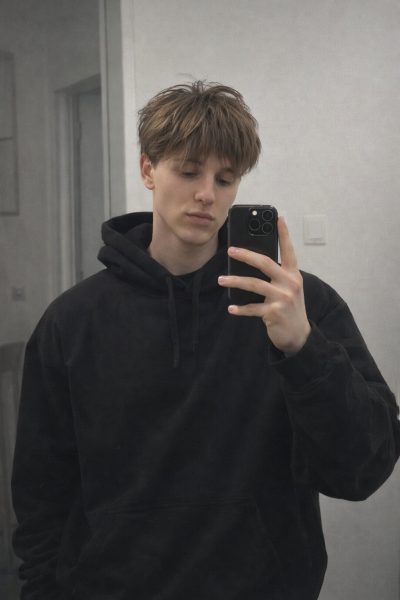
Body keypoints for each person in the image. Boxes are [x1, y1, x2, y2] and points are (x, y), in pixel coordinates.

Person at [11, 81, 400, 600]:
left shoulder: (299, 306)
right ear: (148, 170)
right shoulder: (72, 322)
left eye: (225, 178)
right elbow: (42, 492)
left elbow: (363, 470)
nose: (206, 195)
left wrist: (303, 350)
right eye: (189, 171)